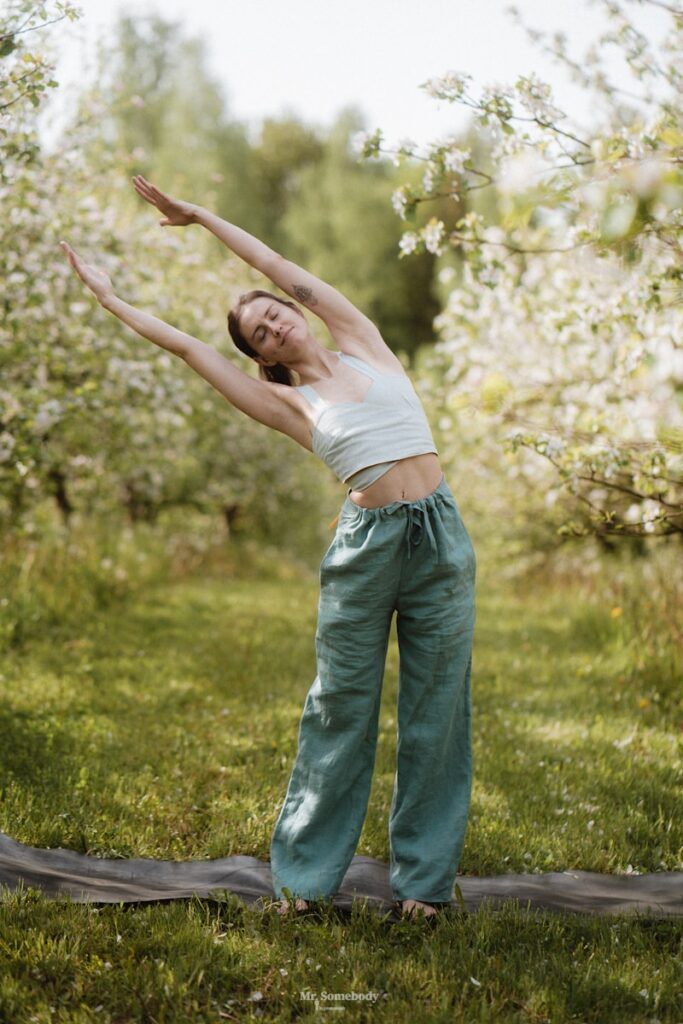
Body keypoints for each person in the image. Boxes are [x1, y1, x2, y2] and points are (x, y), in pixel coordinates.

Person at [60, 175, 477, 921]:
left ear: (296, 314)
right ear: (262, 356)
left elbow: (280, 266)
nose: (273, 325)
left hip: (440, 536)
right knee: (339, 708)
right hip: (367, 550)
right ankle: (307, 884)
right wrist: (110, 298)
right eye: (257, 333)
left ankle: (423, 886)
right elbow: (190, 349)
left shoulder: (363, 343)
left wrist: (202, 217)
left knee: (437, 711)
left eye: (274, 313)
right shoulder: (289, 404)